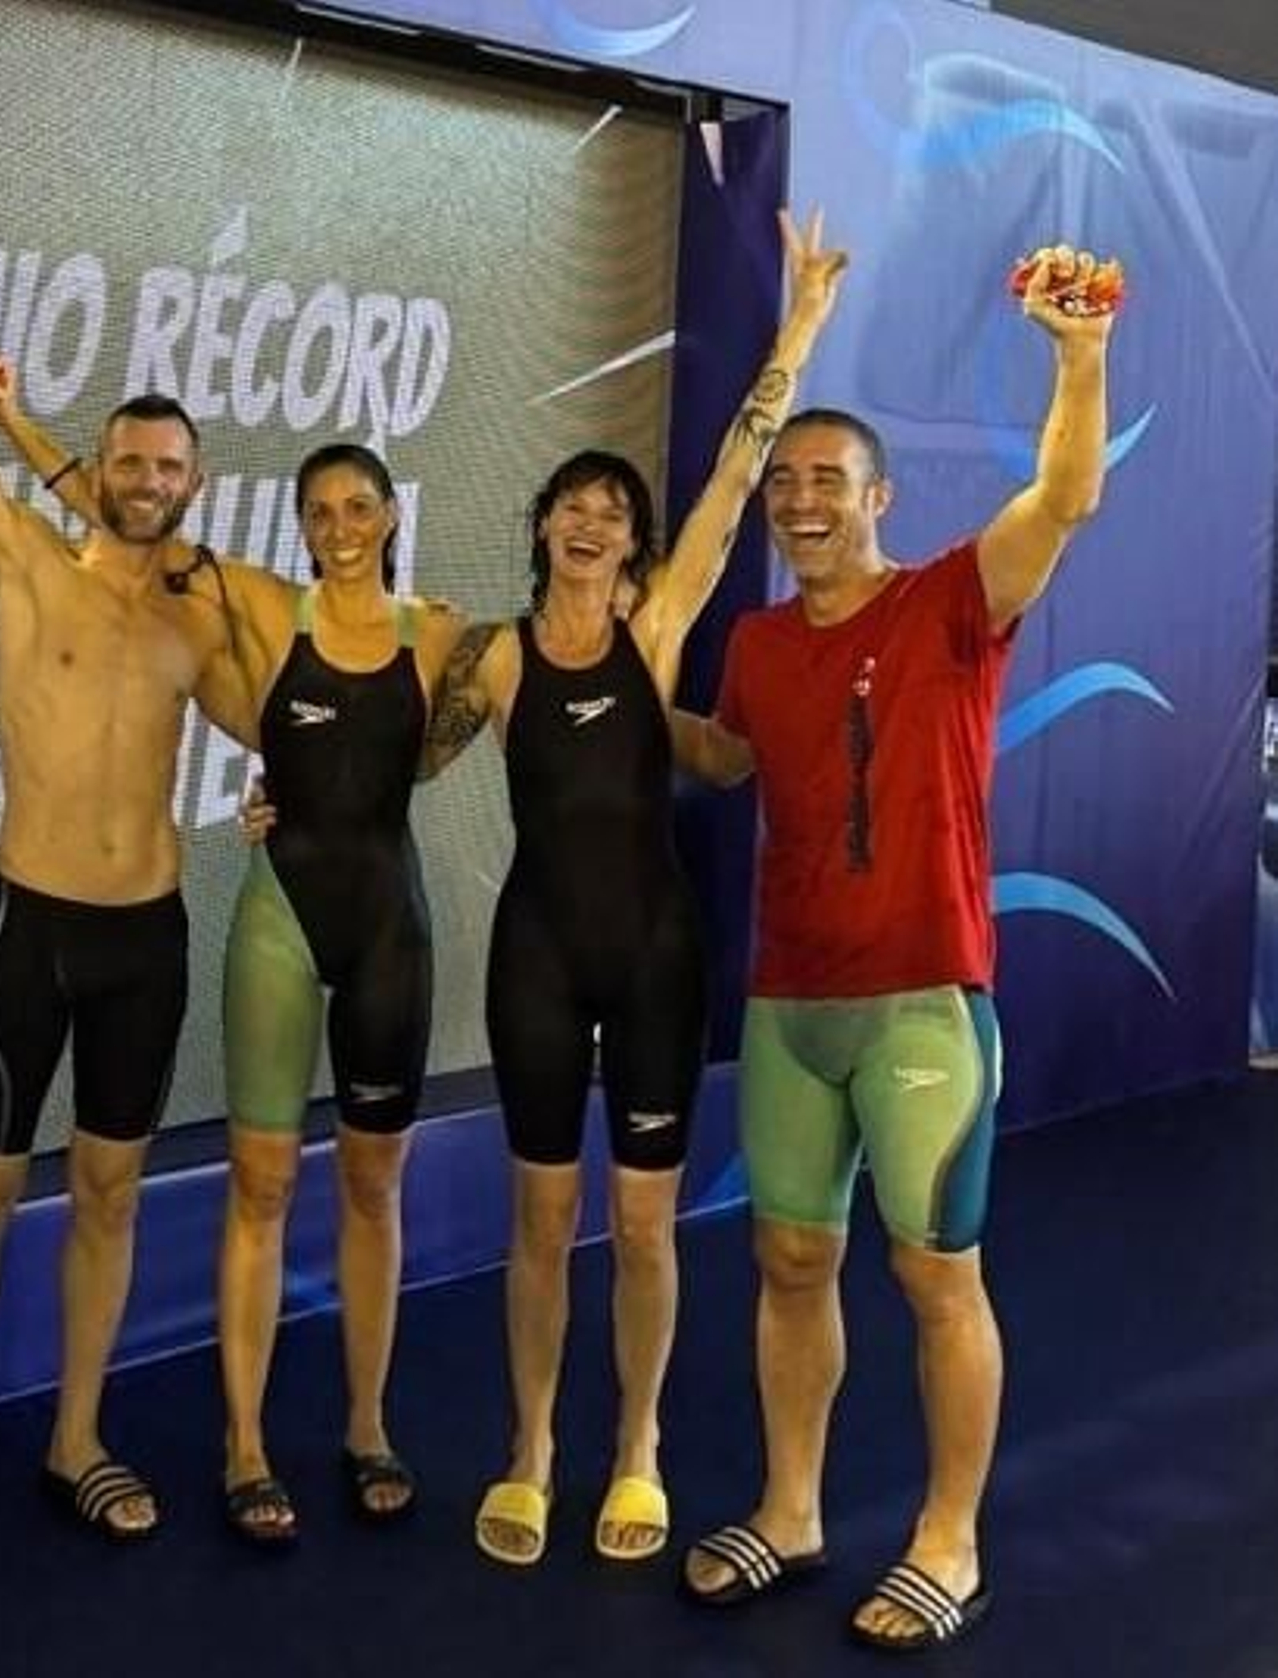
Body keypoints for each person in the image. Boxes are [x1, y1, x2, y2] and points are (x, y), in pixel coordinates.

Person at [674, 245, 1119, 1649]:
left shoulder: (950, 602)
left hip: (925, 999)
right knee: (791, 1268)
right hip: (789, 1002)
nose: (801, 502)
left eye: (829, 482)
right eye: (784, 483)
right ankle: (792, 1509)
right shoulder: (750, 639)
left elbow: (1064, 495)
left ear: (879, 498)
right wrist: (587, 699)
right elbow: (729, 759)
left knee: (937, 1279)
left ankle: (950, 1539)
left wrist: (1078, 354)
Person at [416, 210, 847, 1566]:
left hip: (657, 951)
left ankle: (640, 1445)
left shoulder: (657, 632)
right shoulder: (490, 662)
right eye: (575, 504)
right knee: (542, 1218)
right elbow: (389, 760)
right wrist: (280, 798)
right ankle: (532, 1446)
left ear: (635, 546)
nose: (594, 520)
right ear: (541, 526)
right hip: (538, 955)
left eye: (615, 511)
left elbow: (738, 472)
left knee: (644, 1220)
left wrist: (801, 324)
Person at [0, 389, 464, 1543]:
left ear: (390, 514)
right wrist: (13, 427)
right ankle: (245, 1443)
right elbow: (118, 509)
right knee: (261, 1185)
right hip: (279, 923)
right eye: (319, 509)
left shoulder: (439, 631)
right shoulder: (258, 600)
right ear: (300, 525)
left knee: (372, 1185)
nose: (340, 523)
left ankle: (365, 1423)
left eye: (358, 505)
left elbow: (475, 721)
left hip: (388, 923)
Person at [0, 189, 252, 1570]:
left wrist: (284, 795)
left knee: (108, 1192)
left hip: (143, 938)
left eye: (172, 468)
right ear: (97, 467)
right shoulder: (24, 563)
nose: (151, 481)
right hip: (24, 932)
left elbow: (280, 725)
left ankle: (76, 1435)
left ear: (191, 486)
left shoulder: (198, 620)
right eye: (133, 461)